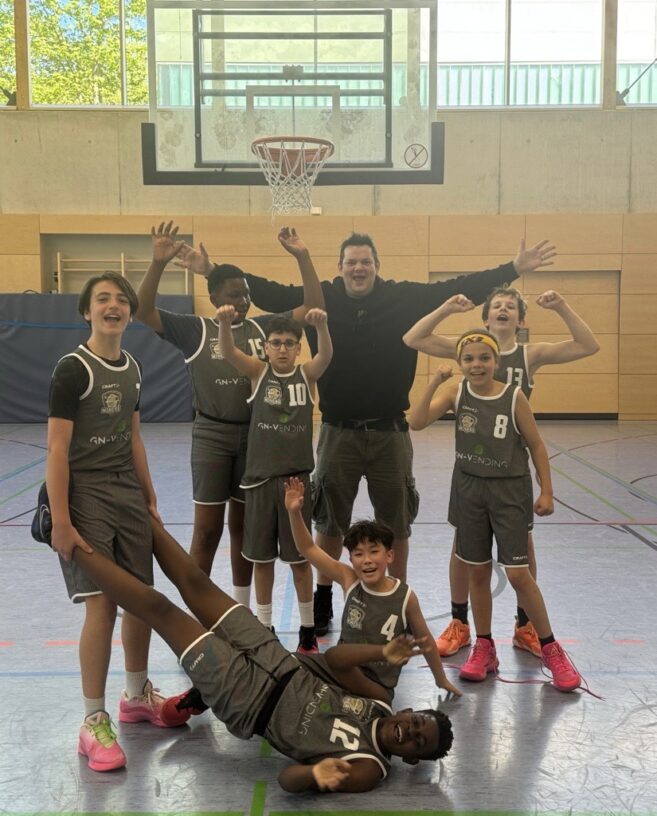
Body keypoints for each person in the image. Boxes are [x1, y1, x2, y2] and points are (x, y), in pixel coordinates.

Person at [173, 233, 556, 636]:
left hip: (390, 430)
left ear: (376, 266)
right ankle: (323, 599)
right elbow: (270, 292)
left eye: (366, 262)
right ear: (340, 267)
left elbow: (460, 286)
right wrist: (212, 271)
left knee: (397, 525)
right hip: (338, 431)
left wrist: (513, 269)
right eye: (351, 262)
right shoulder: (324, 297)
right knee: (329, 522)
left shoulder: (402, 298)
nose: (358, 268)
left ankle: (397, 600)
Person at [65, 520, 455, 793]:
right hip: (276, 657)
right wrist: (381, 651)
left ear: (411, 760)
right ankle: (137, 510)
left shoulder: (369, 768)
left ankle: (66, 542)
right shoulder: (380, 702)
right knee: (196, 582)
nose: (410, 732)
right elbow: (335, 659)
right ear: (409, 711)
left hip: (247, 700)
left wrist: (314, 775)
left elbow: (287, 781)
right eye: (417, 723)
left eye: (417, 743)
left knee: (160, 610)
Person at [403, 287, 600, 658]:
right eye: (496, 305)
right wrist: (446, 307)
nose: (503, 309)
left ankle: (525, 626)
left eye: (511, 306)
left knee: (523, 553)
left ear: (520, 319)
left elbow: (588, 345)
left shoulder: (529, 354)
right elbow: (413, 338)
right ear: (486, 317)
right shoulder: (469, 349)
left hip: (511, 471)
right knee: (463, 549)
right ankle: (460, 622)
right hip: (474, 474)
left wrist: (561, 306)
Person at [136, 222, 324, 608]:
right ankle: (199, 609)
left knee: (244, 530)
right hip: (212, 435)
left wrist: (303, 256)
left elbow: (312, 307)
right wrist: (158, 263)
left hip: (255, 440)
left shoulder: (264, 328)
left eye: (246, 294)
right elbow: (143, 311)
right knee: (206, 531)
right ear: (214, 296)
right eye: (234, 295)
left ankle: (239, 610)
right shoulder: (196, 330)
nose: (243, 301)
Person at [45, 272, 184, 773]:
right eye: (102, 298)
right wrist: (62, 521)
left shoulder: (133, 367)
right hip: (85, 494)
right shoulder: (72, 369)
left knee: (141, 599)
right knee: (102, 606)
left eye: (122, 299)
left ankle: (135, 696)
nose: (114, 305)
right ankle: (92, 720)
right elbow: (56, 449)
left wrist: (148, 494)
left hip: (126, 490)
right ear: (87, 311)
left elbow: (134, 437)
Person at [216, 306, 332, 653]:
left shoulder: (306, 375)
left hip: (295, 484)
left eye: (289, 343)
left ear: (298, 348)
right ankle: (265, 627)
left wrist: (321, 328)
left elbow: (326, 356)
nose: (282, 349)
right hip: (260, 482)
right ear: (266, 347)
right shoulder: (258, 372)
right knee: (261, 559)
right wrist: (224, 324)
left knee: (300, 560)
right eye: (276, 343)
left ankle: (308, 632)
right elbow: (228, 351)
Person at [283, 476, 461, 697]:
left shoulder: (405, 597)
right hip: (341, 675)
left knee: (333, 660)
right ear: (351, 559)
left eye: (374, 551)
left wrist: (441, 679)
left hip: (377, 688)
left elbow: (426, 642)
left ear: (389, 556)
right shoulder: (350, 580)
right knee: (293, 665)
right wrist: (294, 512)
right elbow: (308, 548)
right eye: (358, 554)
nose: (366, 560)